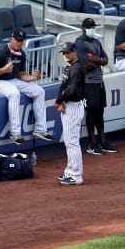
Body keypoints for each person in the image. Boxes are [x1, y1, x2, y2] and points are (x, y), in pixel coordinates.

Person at [0, 28, 54, 144]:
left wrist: (32, 78)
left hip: (12, 80)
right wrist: (3, 70)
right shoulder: (1, 51)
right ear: (11, 39)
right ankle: (15, 133)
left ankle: (40, 129)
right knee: (14, 93)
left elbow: (21, 74)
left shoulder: (21, 53)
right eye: (17, 40)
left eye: (21, 41)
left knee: (39, 91)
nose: (19, 43)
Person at [75, 18, 118, 155]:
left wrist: (97, 60)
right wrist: (98, 62)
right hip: (88, 83)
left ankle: (102, 142)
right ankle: (92, 144)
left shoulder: (97, 42)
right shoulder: (80, 43)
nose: (92, 29)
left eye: (93, 27)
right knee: (92, 112)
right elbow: (85, 65)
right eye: (90, 27)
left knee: (100, 111)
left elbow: (106, 60)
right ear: (83, 28)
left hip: (99, 81)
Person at [55, 42, 86, 185]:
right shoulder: (70, 67)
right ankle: (70, 171)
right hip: (68, 105)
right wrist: (59, 101)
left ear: (75, 52)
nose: (65, 55)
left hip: (73, 107)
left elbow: (72, 90)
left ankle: (76, 175)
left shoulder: (78, 69)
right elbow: (63, 86)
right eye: (64, 53)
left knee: (72, 141)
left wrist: (60, 99)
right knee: (69, 141)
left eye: (68, 52)